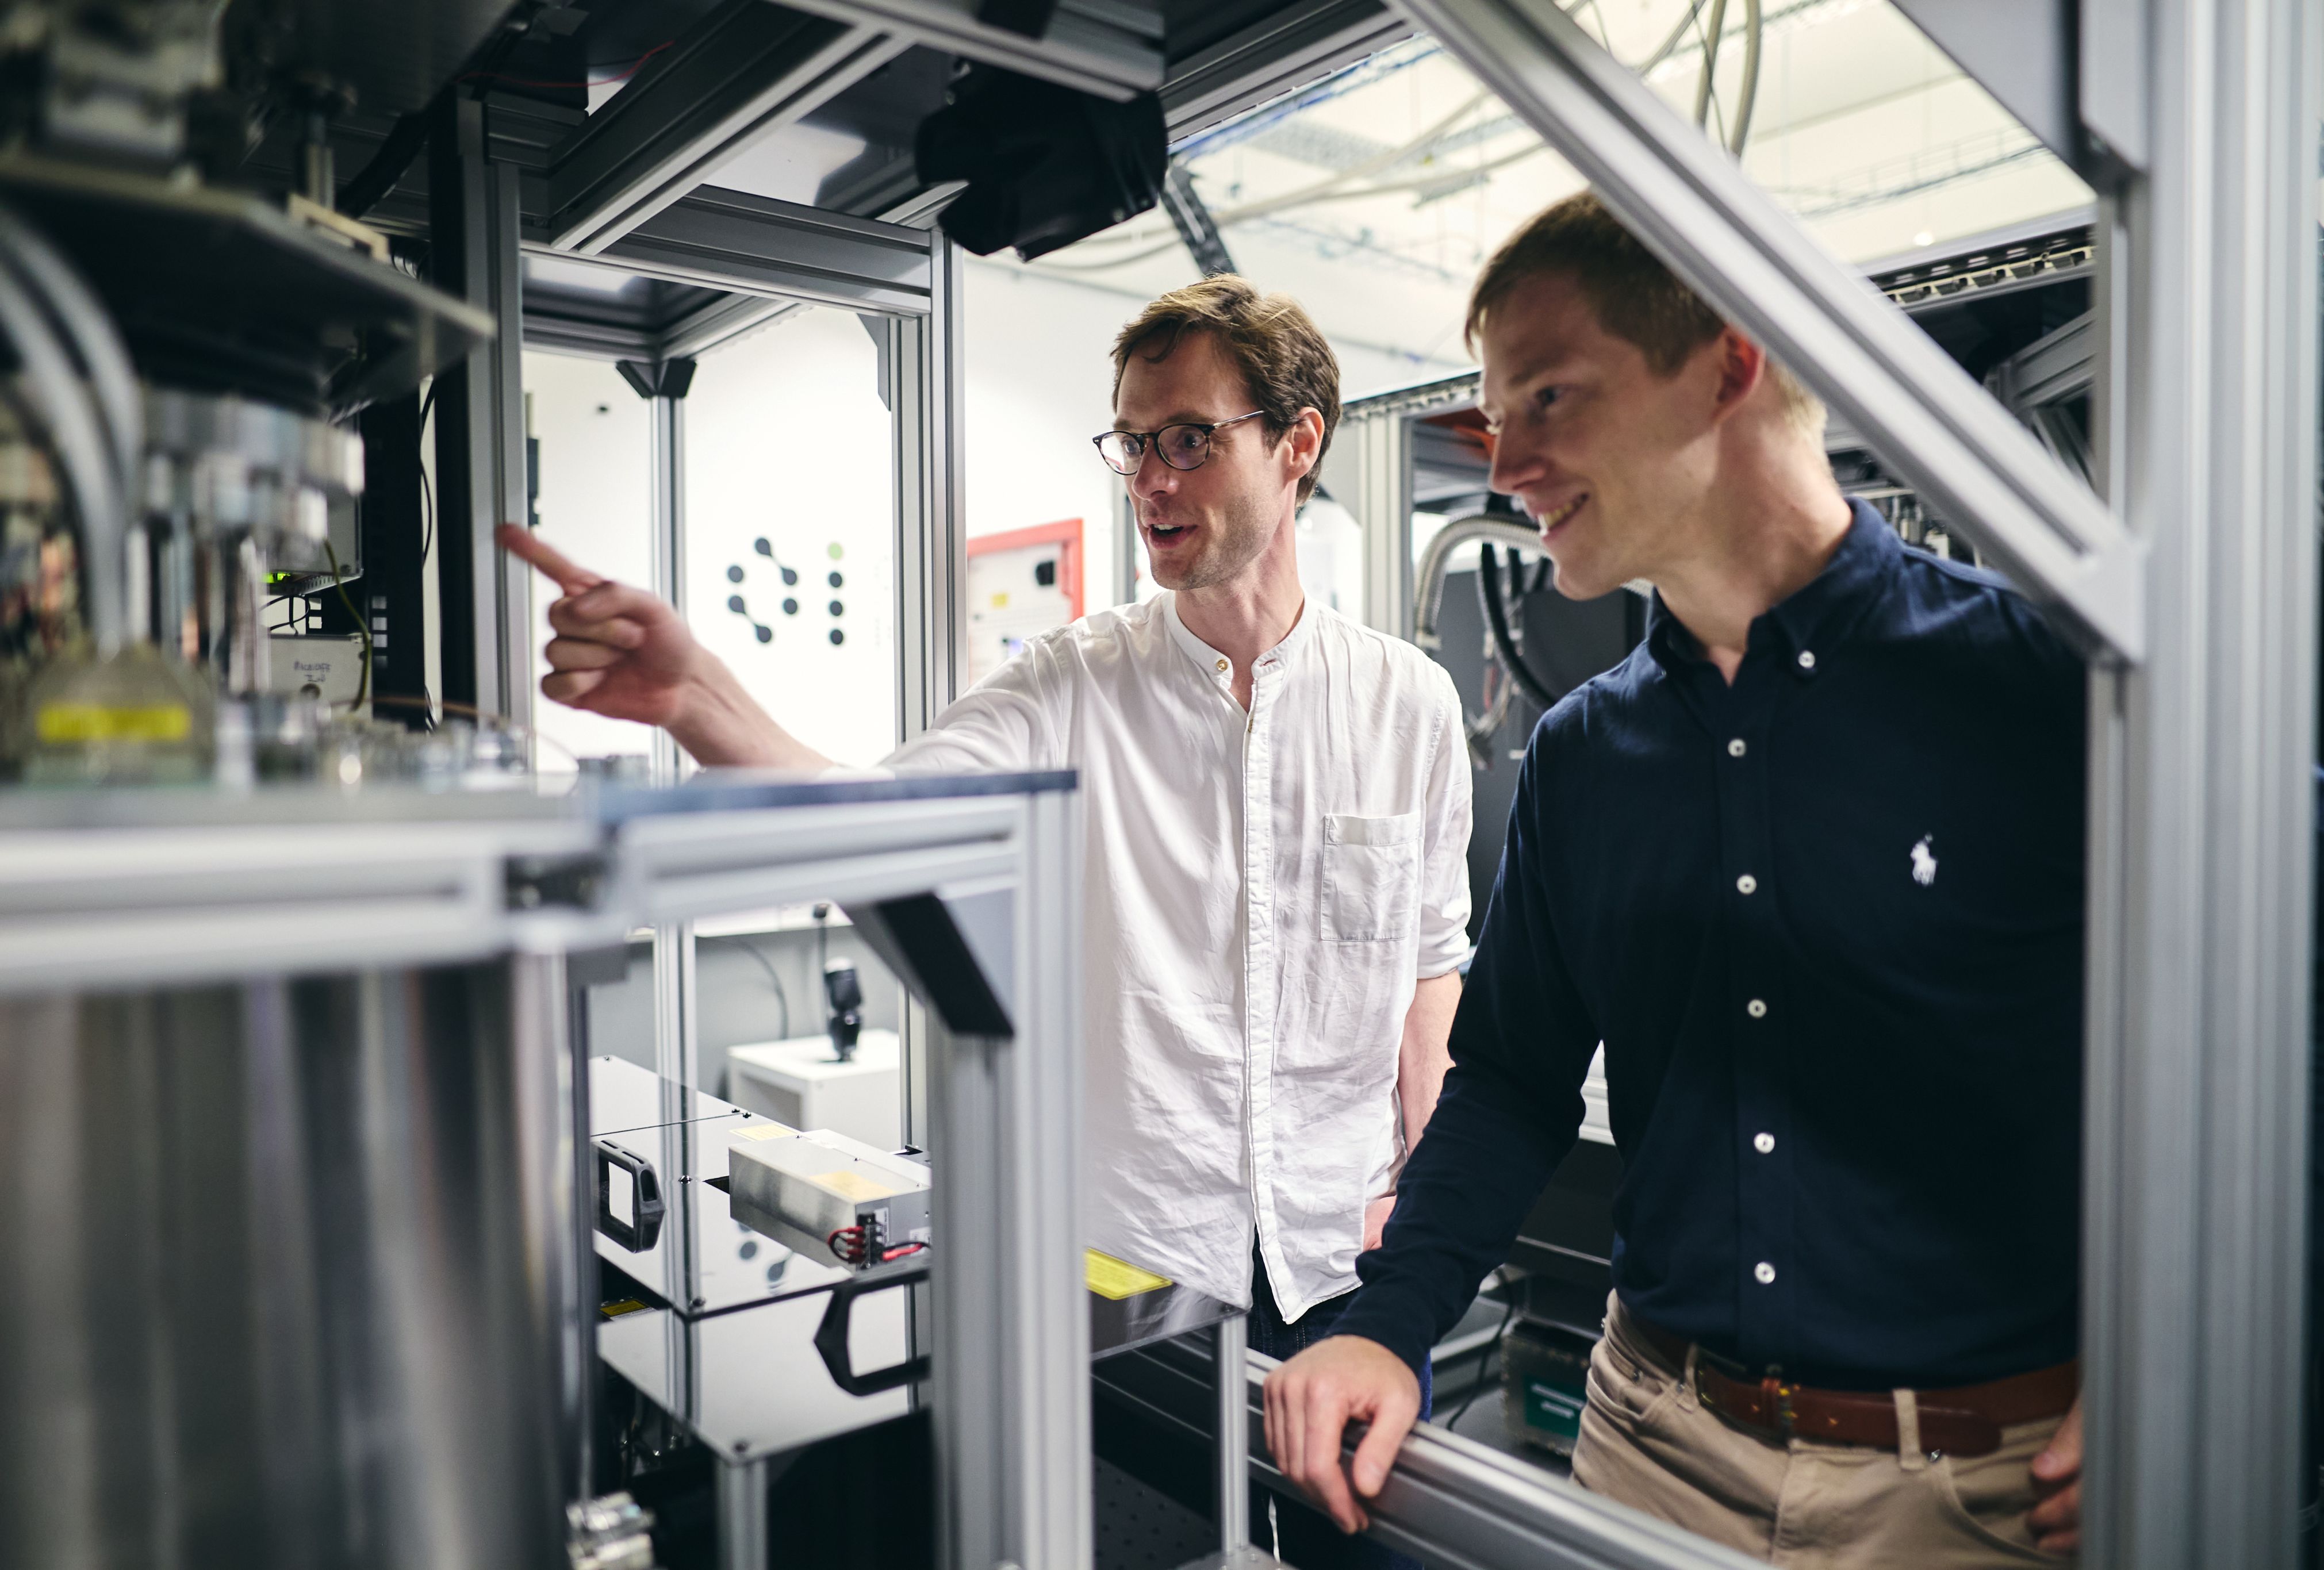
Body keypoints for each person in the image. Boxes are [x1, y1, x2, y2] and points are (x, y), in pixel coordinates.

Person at [503, 277, 1470, 1567]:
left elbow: (1424, 971)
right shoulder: (1074, 683)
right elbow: (872, 817)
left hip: (1333, 1277)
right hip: (1127, 1295)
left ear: (1295, 444)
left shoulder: (1403, 703)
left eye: (1188, 437)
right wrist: (699, 700)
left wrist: (1414, 1210)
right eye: (1132, 443)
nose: (1151, 478)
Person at [1264, 191, 2106, 1568]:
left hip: (1977, 1493)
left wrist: (2203, 1355)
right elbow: (1510, 1077)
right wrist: (1387, 1319)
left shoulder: (2040, 693)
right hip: (1646, 1449)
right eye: (1494, 413)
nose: (1505, 464)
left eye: (1545, 396)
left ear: (1729, 362)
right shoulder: (1585, 755)